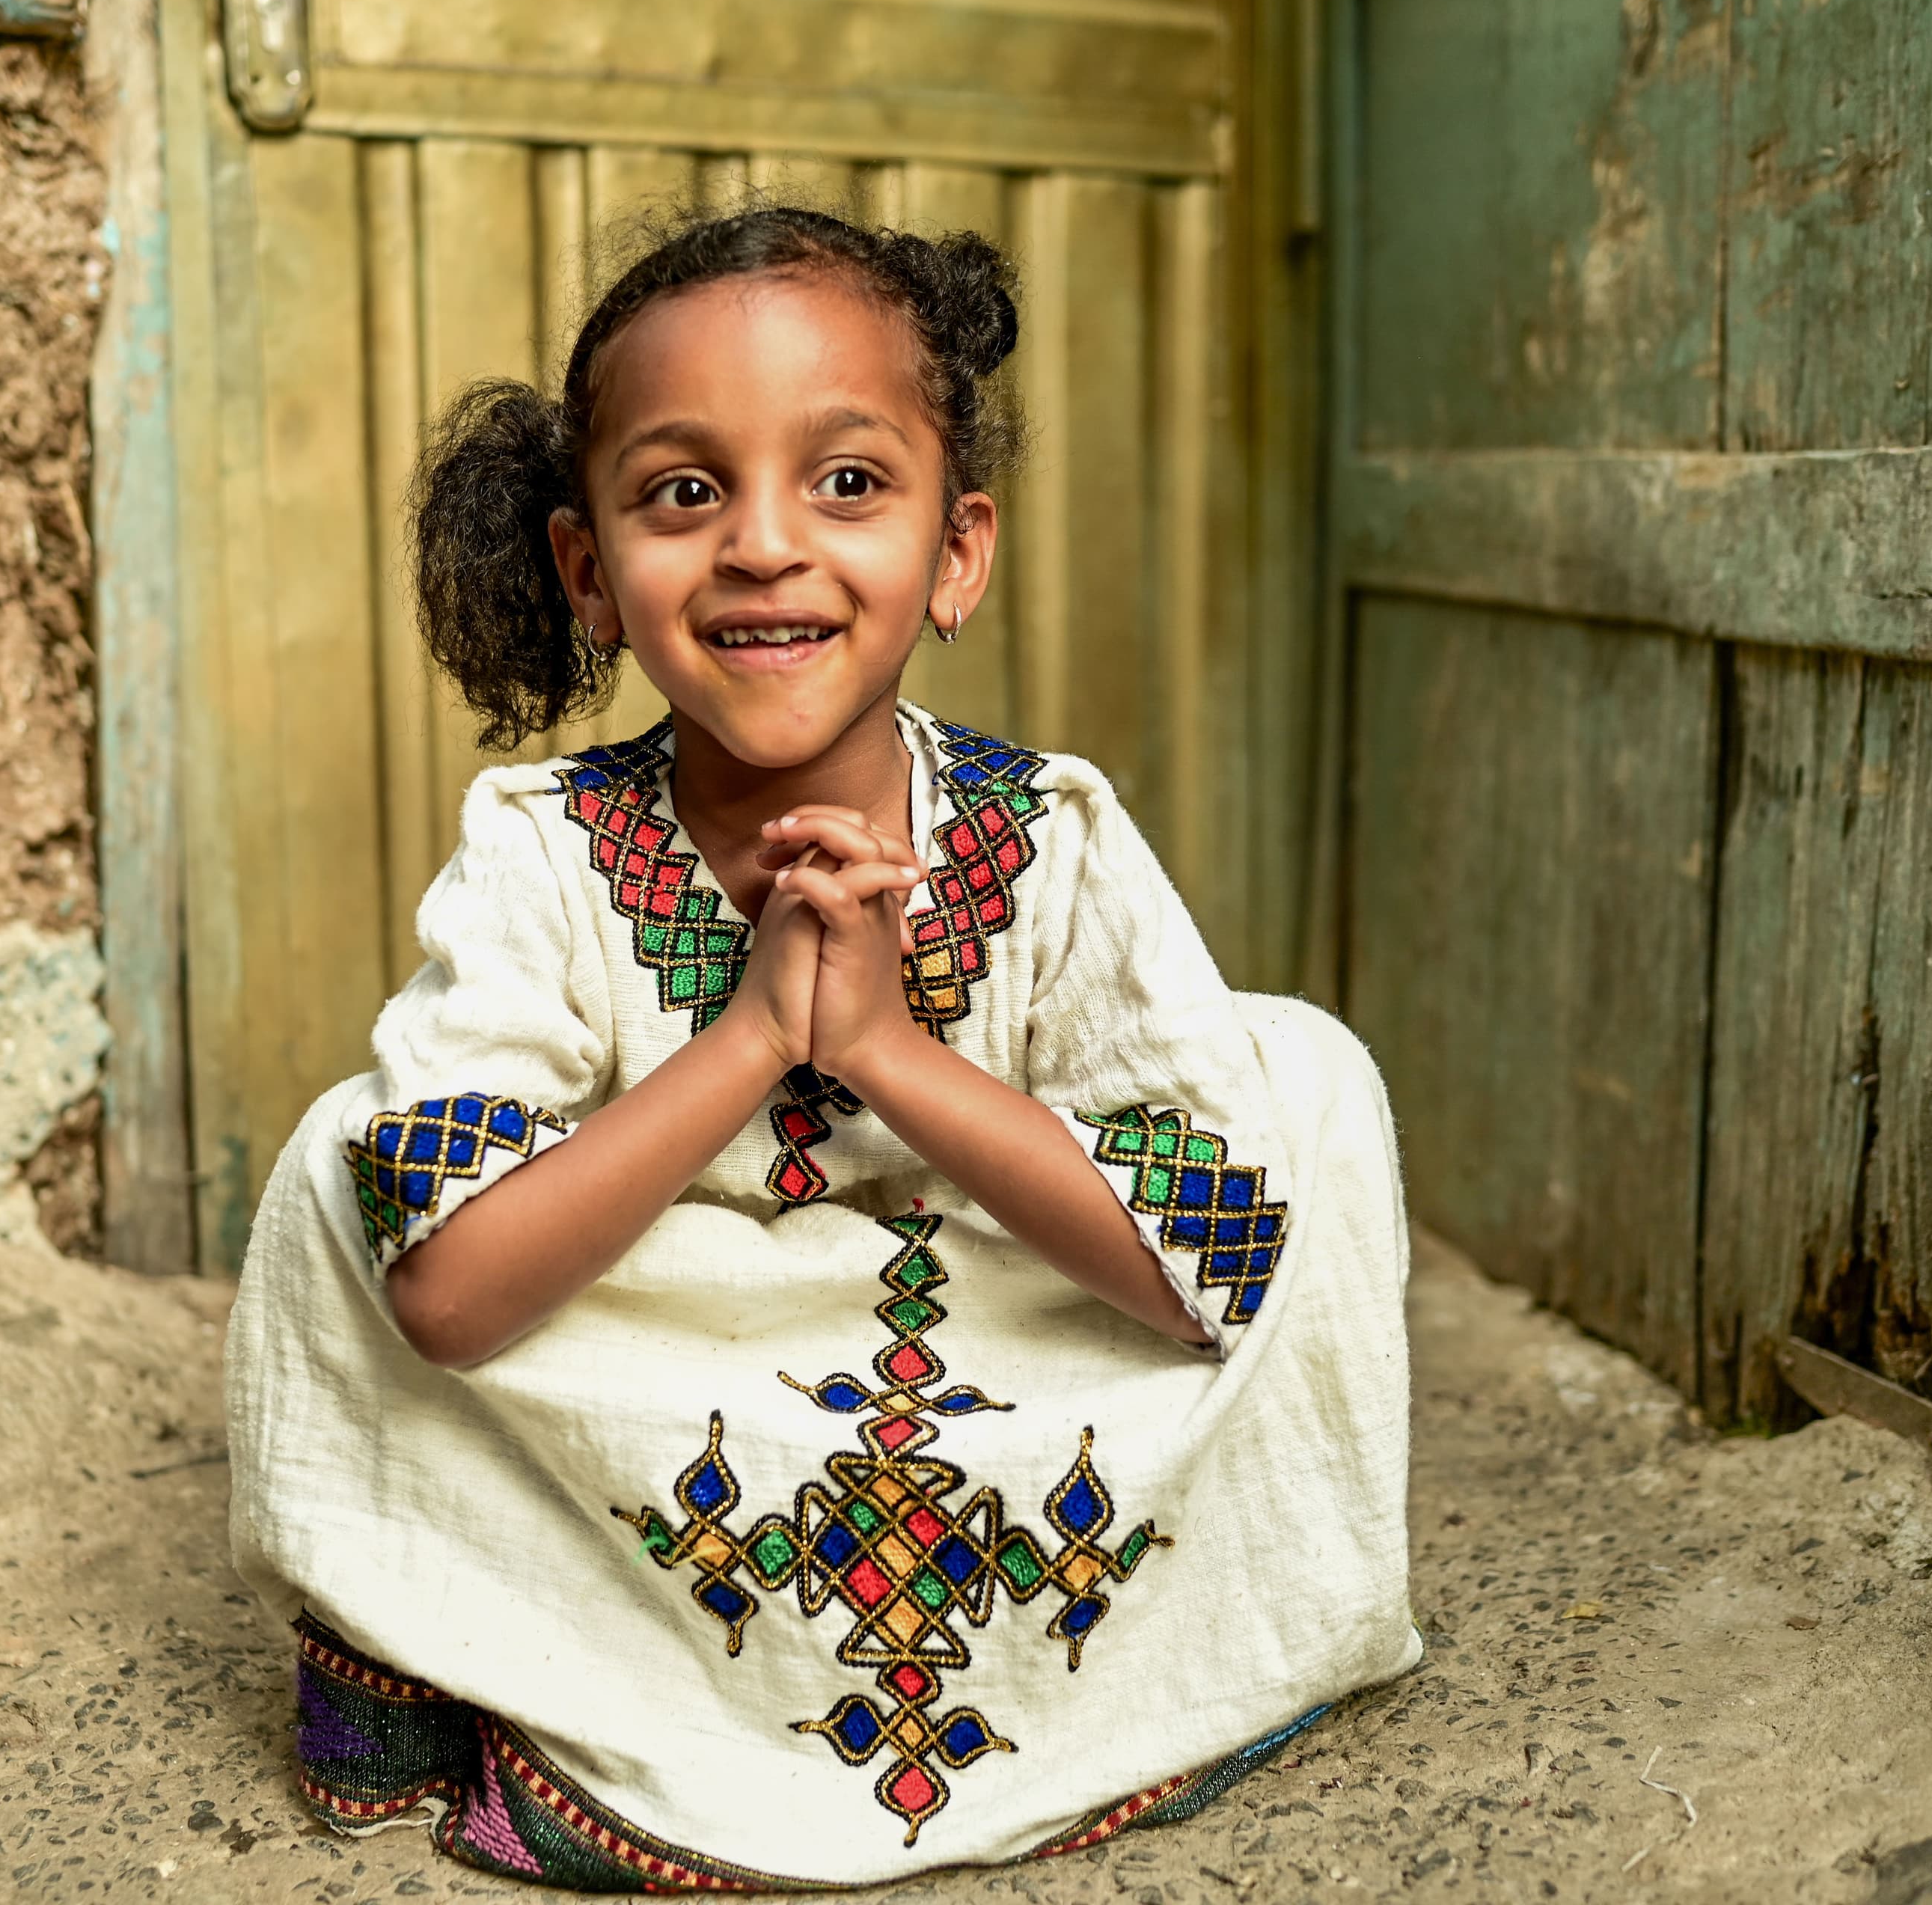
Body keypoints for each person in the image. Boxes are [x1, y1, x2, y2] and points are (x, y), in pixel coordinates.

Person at [224, 205, 1417, 1890]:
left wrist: (878, 1042)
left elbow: (1203, 1279)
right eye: (682, 492)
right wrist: (749, 1035)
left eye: (848, 481)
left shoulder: (1050, 838)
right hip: (665, 1373)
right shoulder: (539, 852)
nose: (765, 545)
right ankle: (452, 1642)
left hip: (1001, 1371)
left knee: (1311, 1080)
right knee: (345, 1165)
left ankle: (1162, 1643)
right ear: (589, 569)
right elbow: (450, 1298)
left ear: (957, 551)